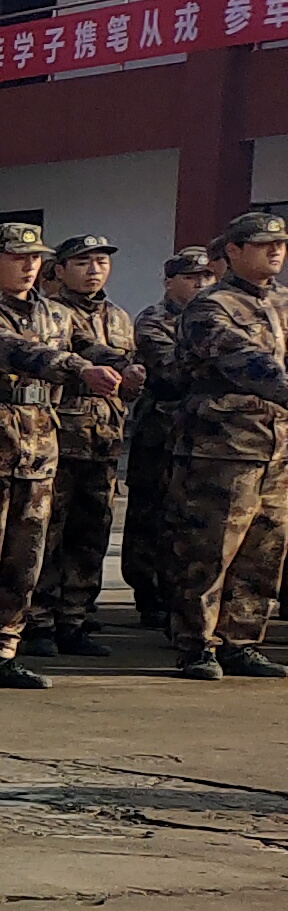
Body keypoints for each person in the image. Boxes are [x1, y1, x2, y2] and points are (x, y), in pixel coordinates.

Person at [0, 222, 126, 691]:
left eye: (35, 258)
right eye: (17, 257)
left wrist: (124, 364)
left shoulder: (57, 315)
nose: (29, 266)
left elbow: (92, 346)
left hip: (41, 447)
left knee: (26, 557)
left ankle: (6, 648)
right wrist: (77, 367)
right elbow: (12, 350)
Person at [158, 210, 288, 679]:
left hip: (277, 446)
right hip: (222, 447)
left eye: (280, 244)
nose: (276, 251)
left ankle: (242, 642)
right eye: (263, 244)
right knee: (209, 548)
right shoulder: (209, 307)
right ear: (233, 251)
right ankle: (197, 644)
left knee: (264, 550)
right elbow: (246, 361)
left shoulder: (283, 303)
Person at [31, 234, 137, 656]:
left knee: (92, 532)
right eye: (82, 262)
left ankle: (74, 618)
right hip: (58, 438)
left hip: (104, 441)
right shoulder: (47, 314)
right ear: (59, 270)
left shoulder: (119, 317)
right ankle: (38, 620)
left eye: (101, 262)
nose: (94, 270)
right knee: (47, 532)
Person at [124, 247, 214, 630]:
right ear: (169, 282)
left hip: (203, 432)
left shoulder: (217, 318)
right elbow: (171, 368)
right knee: (150, 514)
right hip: (159, 429)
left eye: (207, 277)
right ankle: (149, 595)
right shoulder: (154, 320)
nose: (200, 284)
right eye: (191, 277)